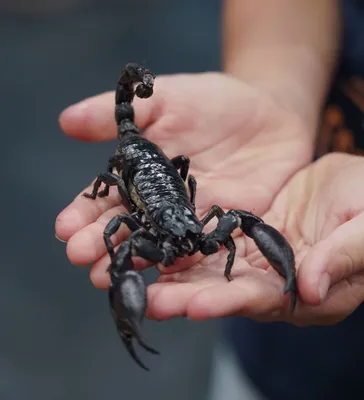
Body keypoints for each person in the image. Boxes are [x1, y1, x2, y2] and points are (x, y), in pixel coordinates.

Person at [55, 0, 364, 398]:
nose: (192, 246)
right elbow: (119, 228)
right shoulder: (144, 221)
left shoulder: (202, 227)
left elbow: (233, 220)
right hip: (141, 169)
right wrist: (273, 92)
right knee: (122, 252)